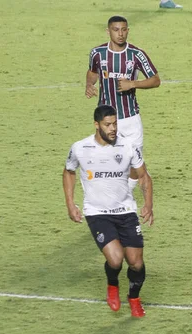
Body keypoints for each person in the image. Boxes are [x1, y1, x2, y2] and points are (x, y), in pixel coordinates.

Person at [63, 105, 154, 317]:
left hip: (125, 211)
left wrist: (148, 203)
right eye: (108, 125)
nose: (113, 128)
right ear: (96, 125)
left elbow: (144, 176)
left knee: (136, 263)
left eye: (115, 123)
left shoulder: (128, 146)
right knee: (115, 259)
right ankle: (112, 285)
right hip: (97, 213)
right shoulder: (80, 148)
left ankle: (134, 298)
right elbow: (68, 172)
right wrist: (71, 204)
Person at [85, 15, 161, 193]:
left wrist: (133, 83)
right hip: (106, 119)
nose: (120, 34)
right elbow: (92, 72)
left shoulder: (136, 54)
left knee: (136, 162)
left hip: (130, 118)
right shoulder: (97, 53)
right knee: (108, 160)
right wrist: (89, 85)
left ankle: (127, 190)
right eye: (116, 29)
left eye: (124, 29)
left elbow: (156, 80)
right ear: (108, 31)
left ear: (128, 31)